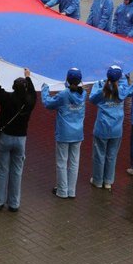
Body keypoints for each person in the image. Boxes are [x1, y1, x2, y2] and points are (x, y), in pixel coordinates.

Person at [0, 57, 35, 211]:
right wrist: (28, 76)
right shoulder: (29, 102)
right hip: (21, 139)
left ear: (13, 87)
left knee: (1, 169)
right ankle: (14, 204)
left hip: (5, 137)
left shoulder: (6, 99)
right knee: (17, 171)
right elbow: (33, 93)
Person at [41, 69, 85, 199]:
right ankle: (71, 191)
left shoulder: (64, 95)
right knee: (74, 162)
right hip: (78, 133)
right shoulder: (83, 94)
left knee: (62, 162)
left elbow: (48, 103)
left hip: (64, 133)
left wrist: (45, 89)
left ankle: (62, 190)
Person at [88, 65, 127, 190]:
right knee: (112, 155)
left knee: (99, 154)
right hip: (117, 129)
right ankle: (108, 181)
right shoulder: (123, 89)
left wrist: (98, 84)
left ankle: (98, 180)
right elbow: (125, 82)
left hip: (102, 128)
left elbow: (92, 99)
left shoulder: (102, 90)